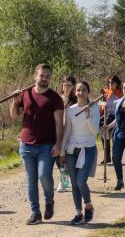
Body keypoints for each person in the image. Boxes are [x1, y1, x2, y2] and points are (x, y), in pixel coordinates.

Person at [10, 63, 64, 225]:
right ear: (35, 76)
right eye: (42, 75)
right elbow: (14, 116)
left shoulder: (55, 98)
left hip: (46, 144)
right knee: (31, 179)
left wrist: (59, 144)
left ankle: (49, 200)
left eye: (47, 76)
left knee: (43, 176)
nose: (45, 78)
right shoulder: (25, 94)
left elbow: (59, 123)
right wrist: (15, 100)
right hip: (26, 144)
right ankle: (35, 213)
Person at [60, 81, 99, 225]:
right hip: (71, 150)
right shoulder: (70, 110)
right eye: (78, 90)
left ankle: (88, 206)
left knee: (81, 181)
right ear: (74, 92)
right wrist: (62, 151)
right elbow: (68, 131)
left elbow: (94, 132)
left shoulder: (93, 108)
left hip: (88, 149)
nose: (80, 93)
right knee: (74, 184)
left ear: (88, 92)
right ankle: (78, 213)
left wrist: (88, 116)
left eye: (83, 90)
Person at [57, 76, 77, 192]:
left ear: (73, 87)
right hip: (57, 131)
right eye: (65, 85)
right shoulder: (57, 98)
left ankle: (63, 182)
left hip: (70, 133)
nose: (66, 87)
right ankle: (65, 179)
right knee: (58, 158)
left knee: (65, 158)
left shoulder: (75, 101)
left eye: (69, 85)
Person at [99, 76, 123, 164]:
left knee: (114, 137)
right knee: (102, 131)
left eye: (112, 82)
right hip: (106, 115)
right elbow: (101, 106)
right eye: (109, 82)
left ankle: (115, 157)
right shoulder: (106, 93)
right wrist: (103, 99)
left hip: (116, 116)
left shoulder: (121, 93)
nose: (110, 84)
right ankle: (107, 156)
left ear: (117, 83)